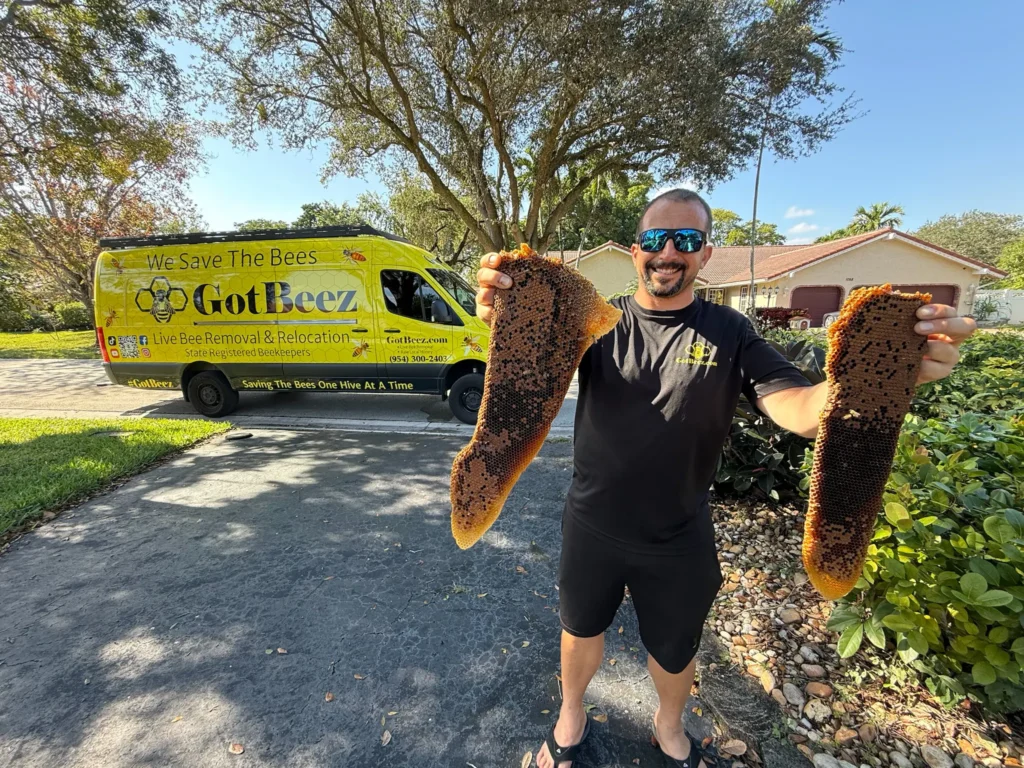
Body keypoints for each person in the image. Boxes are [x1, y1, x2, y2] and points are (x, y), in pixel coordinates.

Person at [474, 189, 977, 768]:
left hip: (680, 532)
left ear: (705, 254)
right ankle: (571, 714)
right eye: (655, 239)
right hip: (593, 522)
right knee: (579, 629)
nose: (668, 251)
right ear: (636, 250)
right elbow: (530, 368)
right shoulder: (594, 321)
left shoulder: (732, 332)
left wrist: (867, 382)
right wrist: (509, 314)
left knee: (675, 647)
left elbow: (796, 407)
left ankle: (668, 726)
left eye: (686, 240)